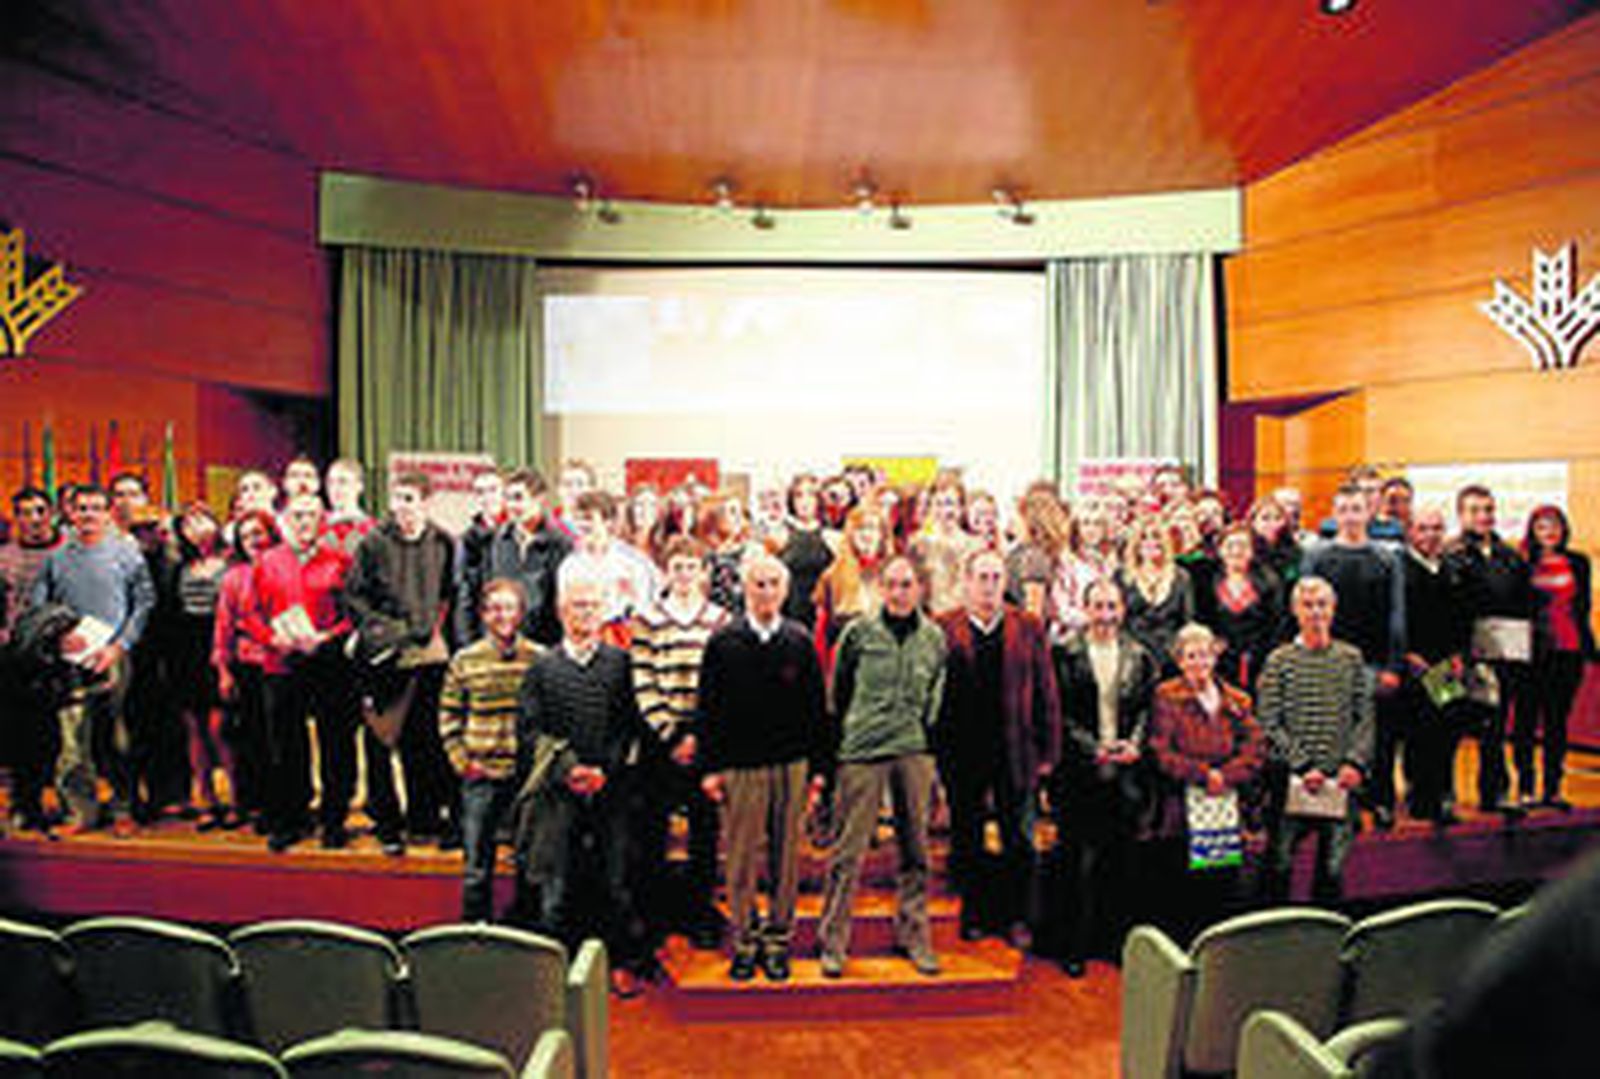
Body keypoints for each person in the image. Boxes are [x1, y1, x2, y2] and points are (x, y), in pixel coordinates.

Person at [516, 560, 653, 997]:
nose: (585, 615)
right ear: (561, 612)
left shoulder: (621, 664)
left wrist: (604, 771)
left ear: (604, 611)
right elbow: (530, 729)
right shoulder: (542, 667)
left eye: (593, 607)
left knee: (615, 881)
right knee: (556, 883)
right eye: (577, 607)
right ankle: (553, 974)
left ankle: (620, 963)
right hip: (558, 792)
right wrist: (568, 769)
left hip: (611, 790)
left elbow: (632, 727)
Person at [697, 554, 828, 982]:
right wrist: (711, 769)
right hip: (740, 767)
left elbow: (816, 711)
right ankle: (745, 940)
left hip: (791, 766)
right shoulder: (722, 643)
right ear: (744, 589)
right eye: (758, 584)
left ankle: (777, 941)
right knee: (740, 858)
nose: (766, 591)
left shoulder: (800, 640)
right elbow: (708, 711)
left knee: (785, 857)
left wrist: (819, 771)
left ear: (785, 590)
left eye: (774, 584)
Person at [817, 554, 947, 977]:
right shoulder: (858, 633)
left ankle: (914, 934)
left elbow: (937, 696)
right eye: (890, 584)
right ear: (880, 589)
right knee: (848, 852)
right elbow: (838, 692)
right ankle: (833, 940)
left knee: (915, 850)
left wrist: (926, 741)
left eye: (907, 584)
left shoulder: (934, 638)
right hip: (862, 749)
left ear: (920, 589)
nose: (898, 592)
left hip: (913, 749)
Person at [936, 548, 1060, 948]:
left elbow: (1046, 692)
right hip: (963, 751)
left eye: (995, 577)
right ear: (966, 581)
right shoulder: (943, 626)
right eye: (982, 577)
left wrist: (1048, 753)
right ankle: (975, 915)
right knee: (967, 836)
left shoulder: (1026, 626)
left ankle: (1017, 917)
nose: (989, 585)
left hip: (1016, 748)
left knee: (1019, 838)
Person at [30, 484, 156, 836]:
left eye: (96, 508)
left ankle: (123, 809)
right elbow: (40, 606)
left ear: (107, 513)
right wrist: (58, 637)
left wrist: (120, 645)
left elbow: (145, 602)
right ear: (70, 513)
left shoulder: (127, 554)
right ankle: (80, 812)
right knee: (72, 742)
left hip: (112, 656)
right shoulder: (56, 558)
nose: (88, 515)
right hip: (69, 660)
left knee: (117, 736)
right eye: (81, 508)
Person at [346, 471, 459, 854]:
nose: (402, 507)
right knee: (381, 740)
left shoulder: (443, 541)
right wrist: (389, 631)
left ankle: (424, 819)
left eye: (410, 498)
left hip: (428, 656)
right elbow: (355, 598)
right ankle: (387, 823)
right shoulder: (373, 543)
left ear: (426, 502)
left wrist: (432, 632)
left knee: (425, 743)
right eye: (397, 498)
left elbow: (450, 593)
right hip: (385, 656)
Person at [1050, 577, 1158, 977]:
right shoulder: (1064, 652)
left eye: (1112, 607)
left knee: (1120, 860)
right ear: (1085, 608)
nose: (1106, 615)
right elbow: (1057, 710)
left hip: (1125, 772)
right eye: (1098, 606)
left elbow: (1149, 709)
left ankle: (1112, 943)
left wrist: (1135, 743)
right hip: (1079, 770)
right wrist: (1090, 747)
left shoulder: (1139, 655)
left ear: (1122, 610)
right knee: (1075, 860)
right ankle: (1072, 945)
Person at [629, 535, 731, 948]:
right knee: (652, 829)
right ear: (666, 572)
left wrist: (698, 734)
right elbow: (642, 679)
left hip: (704, 736)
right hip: (661, 737)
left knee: (704, 831)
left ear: (703, 572)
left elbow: (723, 683)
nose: (685, 574)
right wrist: (671, 734)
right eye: (677, 567)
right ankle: (654, 917)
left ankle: (698, 913)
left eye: (692, 567)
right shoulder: (647, 617)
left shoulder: (719, 619)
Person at [1258, 576, 1374, 904]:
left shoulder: (1351, 658)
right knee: (1279, 863)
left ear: (1333, 610)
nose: (1316, 612)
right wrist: (1301, 765)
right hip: (1295, 779)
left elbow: (1364, 717)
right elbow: (1269, 721)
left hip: (1341, 779)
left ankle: (1327, 937)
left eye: (1322, 604)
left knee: (1333, 869)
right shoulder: (1279, 660)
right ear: (1295, 610)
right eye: (1308, 605)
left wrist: (1355, 763)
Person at [253, 493, 359, 851]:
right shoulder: (267, 562)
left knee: (336, 745)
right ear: (285, 519)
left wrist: (327, 637)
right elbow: (250, 613)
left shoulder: (341, 562)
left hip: (328, 663)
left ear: (322, 520)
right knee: (286, 746)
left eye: (311, 516)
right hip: (281, 664)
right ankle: (291, 819)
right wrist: (272, 638)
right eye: (297, 515)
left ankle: (334, 819)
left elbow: (353, 615)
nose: (303, 522)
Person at [1147, 622, 1264, 942]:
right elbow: (1160, 751)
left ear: (1215, 657)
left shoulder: (1238, 699)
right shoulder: (1166, 696)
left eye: (1205, 655)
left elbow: (1254, 747)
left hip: (1227, 801)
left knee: (1223, 880)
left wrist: (1225, 776)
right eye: (1191, 656)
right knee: (1185, 885)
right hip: (1181, 806)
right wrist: (1202, 775)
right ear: (1180, 660)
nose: (1199, 663)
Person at [1301, 483, 1406, 828]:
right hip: (1328, 660)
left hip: (1374, 661)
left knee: (1381, 736)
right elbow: (1304, 610)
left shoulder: (1387, 557)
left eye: (1356, 509)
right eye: (1343, 509)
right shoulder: (1317, 555)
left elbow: (1396, 613)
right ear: (1335, 513)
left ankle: (1381, 800)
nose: (1350, 516)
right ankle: (1342, 806)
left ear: (1369, 512)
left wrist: (1393, 665)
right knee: (1335, 735)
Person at [441, 578, 542, 921]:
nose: (503, 615)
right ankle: (473, 935)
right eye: (495, 608)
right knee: (476, 869)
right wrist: (461, 761)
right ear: (484, 615)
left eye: (509, 607)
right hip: (481, 775)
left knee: (529, 864)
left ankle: (525, 935)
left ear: (520, 613)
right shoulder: (465, 660)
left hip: (526, 777)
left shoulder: (538, 658)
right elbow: (449, 715)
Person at [1442, 485, 1533, 816]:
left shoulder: (1511, 558)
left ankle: (1494, 794)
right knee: (1446, 727)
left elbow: (1522, 607)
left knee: (1493, 729)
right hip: (1452, 659)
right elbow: (1440, 609)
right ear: (1461, 514)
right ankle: (1441, 797)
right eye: (1475, 510)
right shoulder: (1448, 555)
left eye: (1488, 509)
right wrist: (1453, 653)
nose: (1483, 516)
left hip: (1501, 657)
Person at [1516, 504, 1592, 811]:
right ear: (1533, 532)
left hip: (1568, 651)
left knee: (1556, 723)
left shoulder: (1578, 562)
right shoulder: (1523, 564)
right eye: (1542, 527)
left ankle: (1552, 788)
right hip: (1532, 654)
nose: (1550, 533)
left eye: (1555, 526)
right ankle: (1525, 787)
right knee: (1526, 722)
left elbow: (1582, 607)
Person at [211, 509, 280, 835]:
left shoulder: (283, 567)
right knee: (253, 741)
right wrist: (224, 669)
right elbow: (223, 625)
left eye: (259, 532)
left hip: (282, 664)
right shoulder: (233, 577)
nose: (253, 539)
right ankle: (259, 806)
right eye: (246, 534)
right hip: (247, 665)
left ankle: (285, 805)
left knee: (279, 740)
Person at [1398, 505, 1468, 825]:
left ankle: (1443, 796)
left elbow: (1460, 617)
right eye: (1423, 528)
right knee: (1416, 733)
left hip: (1442, 667)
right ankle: (1420, 798)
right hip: (1411, 664)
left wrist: (1457, 655)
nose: (1430, 535)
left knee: (1445, 730)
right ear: (1410, 532)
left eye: (1437, 529)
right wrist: (1406, 654)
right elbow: (1391, 618)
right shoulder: (1398, 568)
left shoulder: (1451, 568)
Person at [168, 502, 234, 829]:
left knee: (219, 728)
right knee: (193, 728)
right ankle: (206, 797)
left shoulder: (231, 561)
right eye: (188, 523)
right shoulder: (180, 565)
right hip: (186, 650)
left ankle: (236, 796)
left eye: (202, 520)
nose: (196, 528)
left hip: (219, 645)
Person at [0, 486, 63, 831]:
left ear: (51, 514)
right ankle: (25, 803)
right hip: (13, 658)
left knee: (53, 738)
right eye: (25, 512)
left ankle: (61, 804)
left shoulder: (67, 553)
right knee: (16, 735)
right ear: (16, 518)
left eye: (40, 511)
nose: (34, 519)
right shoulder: (3, 557)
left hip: (55, 658)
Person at [461, 468, 571, 648]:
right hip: (498, 644)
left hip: (543, 645)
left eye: (519, 497)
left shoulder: (560, 544)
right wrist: (469, 640)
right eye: (508, 498)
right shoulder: (495, 541)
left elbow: (560, 602)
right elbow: (478, 593)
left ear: (539, 498)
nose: (512, 505)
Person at [1196, 524, 1285, 695]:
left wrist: (1267, 662)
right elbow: (1200, 618)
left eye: (1243, 545)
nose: (1236, 551)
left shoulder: (1270, 581)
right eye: (1230, 546)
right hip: (1216, 661)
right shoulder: (1206, 580)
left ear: (1252, 551)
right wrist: (1211, 641)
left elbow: (1277, 625)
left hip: (1258, 660)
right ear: (1220, 550)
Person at [1119, 515, 1195, 670]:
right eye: (1143, 537)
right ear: (1136, 544)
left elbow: (1187, 620)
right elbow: (1119, 622)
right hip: (1132, 657)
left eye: (1156, 536)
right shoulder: (1122, 576)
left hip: (1171, 657)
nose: (1150, 541)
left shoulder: (1181, 577)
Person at [811, 506, 887, 660]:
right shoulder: (833, 575)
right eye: (860, 529)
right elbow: (822, 635)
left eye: (872, 528)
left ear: (882, 535)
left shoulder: (894, 572)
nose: (867, 535)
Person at [911, 474, 980, 617]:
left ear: (961, 508)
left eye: (950, 503)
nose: (944, 510)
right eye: (938, 504)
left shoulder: (975, 546)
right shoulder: (918, 543)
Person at [777, 473, 834, 630]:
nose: (804, 501)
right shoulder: (779, 535)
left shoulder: (832, 537)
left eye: (811, 495)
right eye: (799, 495)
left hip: (822, 615)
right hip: (788, 615)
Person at [323, 458, 374, 556]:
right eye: (331, 482)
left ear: (359, 486)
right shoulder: (317, 527)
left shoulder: (372, 530)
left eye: (342, 482)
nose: (335, 489)